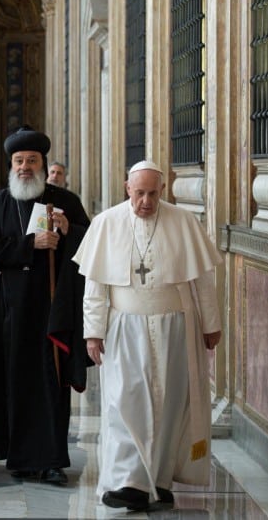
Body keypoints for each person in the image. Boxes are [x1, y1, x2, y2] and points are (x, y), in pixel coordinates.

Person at [72, 160, 222, 511]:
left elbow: (202, 280)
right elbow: (95, 286)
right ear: (128, 188)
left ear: (162, 190)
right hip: (124, 327)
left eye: (153, 194)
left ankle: (159, 481)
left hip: (175, 327)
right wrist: (93, 332)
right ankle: (129, 481)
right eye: (139, 193)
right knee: (124, 401)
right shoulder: (107, 223)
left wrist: (210, 323)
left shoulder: (184, 221)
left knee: (170, 403)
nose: (146, 201)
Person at [0, 126, 90, 485]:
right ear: (11, 165)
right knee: (14, 381)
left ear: (43, 164)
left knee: (50, 380)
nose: (25, 167)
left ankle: (52, 459)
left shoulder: (65, 200)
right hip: (10, 309)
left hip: (51, 308)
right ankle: (21, 458)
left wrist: (68, 230)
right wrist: (31, 244)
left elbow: (90, 244)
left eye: (32, 160)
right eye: (19, 161)